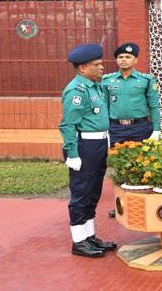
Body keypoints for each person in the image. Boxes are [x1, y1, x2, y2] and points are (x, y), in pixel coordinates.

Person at [59, 43, 117, 258]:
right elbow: (68, 126)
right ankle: (78, 241)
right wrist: (72, 154)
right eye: (97, 64)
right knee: (81, 192)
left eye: (101, 63)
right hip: (84, 147)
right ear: (83, 68)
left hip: (98, 145)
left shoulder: (96, 87)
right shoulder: (76, 90)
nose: (102, 67)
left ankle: (90, 236)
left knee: (94, 192)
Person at [102, 42, 161, 145]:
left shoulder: (146, 80)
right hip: (115, 129)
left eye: (128, 57)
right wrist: (104, 128)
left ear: (135, 60)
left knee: (142, 159)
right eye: (120, 57)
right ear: (116, 60)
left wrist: (156, 130)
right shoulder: (107, 80)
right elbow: (104, 106)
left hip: (140, 128)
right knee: (115, 159)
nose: (123, 60)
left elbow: (154, 106)